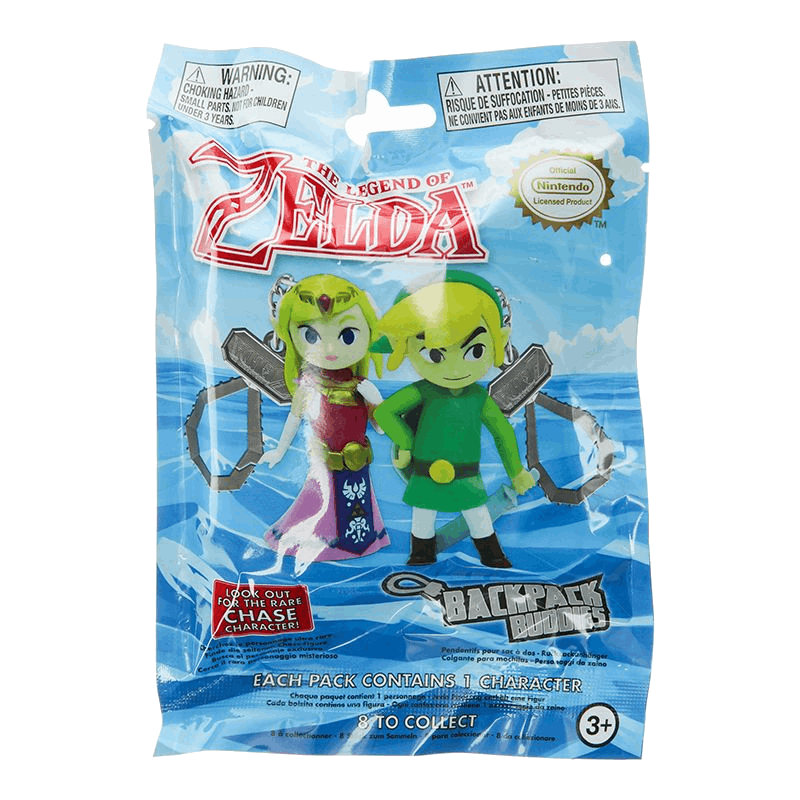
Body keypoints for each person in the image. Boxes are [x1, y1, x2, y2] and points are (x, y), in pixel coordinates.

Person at [373, 271, 535, 568]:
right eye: (435, 354)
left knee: (478, 516)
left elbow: (502, 432)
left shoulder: (478, 398)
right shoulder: (424, 391)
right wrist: (406, 441)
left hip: (467, 477)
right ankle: (422, 555)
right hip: (426, 473)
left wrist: (516, 472)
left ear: (496, 343)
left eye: (475, 350)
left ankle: (492, 555)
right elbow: (384, 412)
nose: (455, 367)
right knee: (423, 517)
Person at [261, 274, 389, 566]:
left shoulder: (361, 386)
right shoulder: (308, 386)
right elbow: (295, 418)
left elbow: (381, 429)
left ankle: (355, 544)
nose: (330, 350)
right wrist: (279, 451)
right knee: (318, 502)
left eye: (347, 336)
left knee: (357, 506)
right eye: (311, 335)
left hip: (356, 462)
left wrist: (377, 403)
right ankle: (314, 542)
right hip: (323, 461)